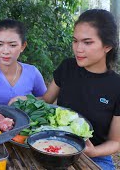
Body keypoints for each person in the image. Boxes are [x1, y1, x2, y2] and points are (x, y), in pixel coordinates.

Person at [41, 9, 120, 169]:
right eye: (75, 41)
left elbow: (115, 141)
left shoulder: (116, 86)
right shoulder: (67, 67)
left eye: (87, 42)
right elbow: (45, 100)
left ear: (107, 46)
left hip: (95, 157)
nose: (78, 48)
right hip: (55, 145)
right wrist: (23, 100)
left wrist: (93, 151)